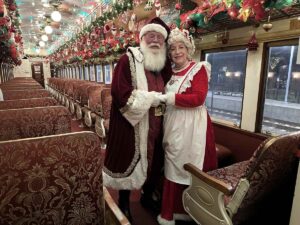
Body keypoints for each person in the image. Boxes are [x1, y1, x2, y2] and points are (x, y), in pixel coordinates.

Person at [103, 17, 172, 221]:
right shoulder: (128, 60)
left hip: (158, 124)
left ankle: (147, 195)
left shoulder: (163, 64)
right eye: (151, 35)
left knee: (155, 162)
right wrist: (151, 98)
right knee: (129, 164)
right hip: (131, 125)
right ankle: (124, 203)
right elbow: (120, 93)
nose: (155, 40)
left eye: (159, 37)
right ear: (142, 38)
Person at [157, 28, 218, 225]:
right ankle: (172, 211)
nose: (177, 52)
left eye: (181, 47)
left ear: (188, 48)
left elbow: (199, 98)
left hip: (193, 127)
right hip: (173, 123)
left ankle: (192, 210)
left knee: (191, 166)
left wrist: (170, 98)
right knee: (172, 164)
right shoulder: (170, 73)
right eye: (173, 48)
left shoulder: (199, 68)